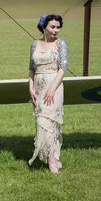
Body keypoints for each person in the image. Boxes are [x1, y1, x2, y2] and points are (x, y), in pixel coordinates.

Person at [28, 14, 68, 173]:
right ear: (44, 27)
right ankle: (51, 156)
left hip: (55, 86)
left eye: (58, 27)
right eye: (52, 27)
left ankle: (51, 160)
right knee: (40, 122)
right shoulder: (34, 44)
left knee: (50, 122)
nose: (56, 30)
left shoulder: (61, 44)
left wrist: (52, 89)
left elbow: (63, 68)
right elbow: (31, 68)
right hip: (38, 86)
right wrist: (30, 87)